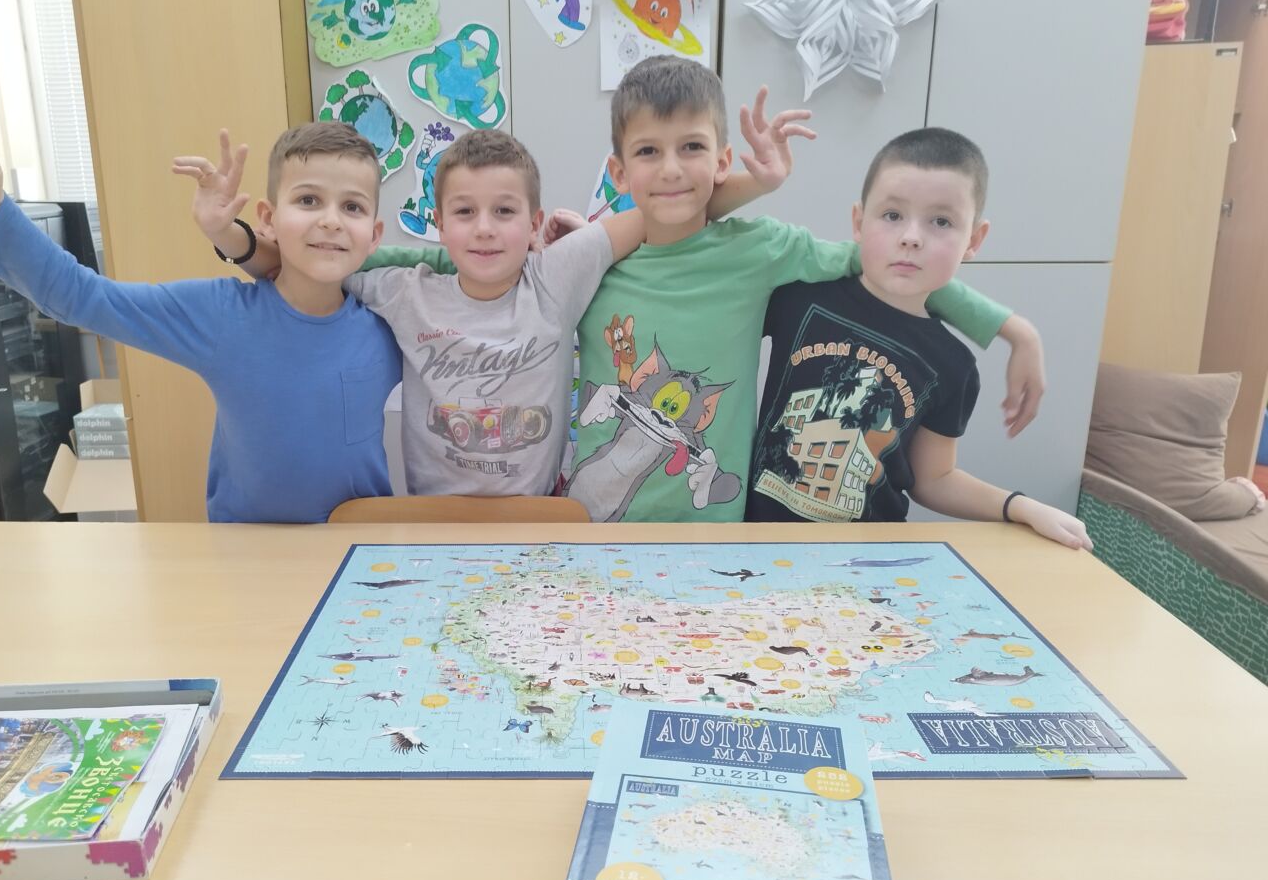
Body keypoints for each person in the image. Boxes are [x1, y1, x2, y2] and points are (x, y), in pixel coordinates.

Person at [185, 95, 809, 496]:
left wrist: (759, 183)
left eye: (504, 212)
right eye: (465, 212)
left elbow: (664, 211)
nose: (484, 228)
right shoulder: (403, 289)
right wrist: (227, 236)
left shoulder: (556, 276)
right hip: (435, 530)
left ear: (535, 225)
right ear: (439, 223)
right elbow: (299, 263)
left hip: (538, 525)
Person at [557, 57, 1044, 523]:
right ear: (619, 172)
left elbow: (889, 262)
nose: (671, 169)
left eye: (692, 147)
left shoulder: (759, 251)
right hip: (593, 530)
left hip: (714, 536)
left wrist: (1013, 330)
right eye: (648, 151)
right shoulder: (589, 266)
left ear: (723, 160)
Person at [0, 80, 400, 523]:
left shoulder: (393, 320)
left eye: (352, 207)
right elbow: (83, 296)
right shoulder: (222, 316)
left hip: (365, 553)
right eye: (309, 200)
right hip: (249, 556)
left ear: (374, 234)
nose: (331, 221)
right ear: (268, 218)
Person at [747, 127, 1091, 548]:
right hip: (756, 544)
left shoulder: (953, 364)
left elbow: (934, 479)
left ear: (974, 240)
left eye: (941, 221)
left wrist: (1020, 507)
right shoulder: (798, 298)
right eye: (892, 215)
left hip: (867, 557)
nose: (911, 237)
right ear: (858, 221)